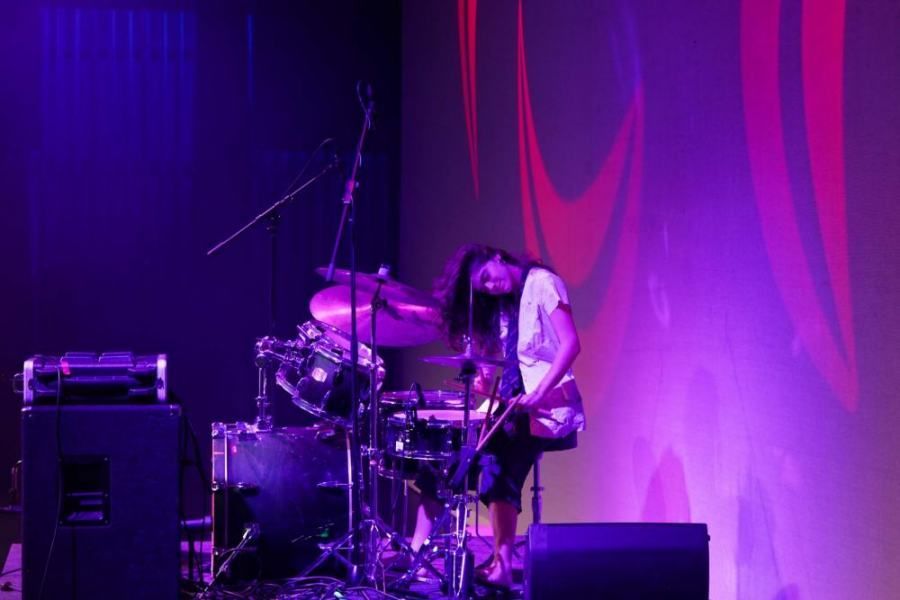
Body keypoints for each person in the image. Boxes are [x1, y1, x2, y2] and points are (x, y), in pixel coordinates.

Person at [408, 244, 586, 588]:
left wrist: (538, 393)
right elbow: (505, 368)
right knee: (444, 461)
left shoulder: (543, 283)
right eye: (483, 287)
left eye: (488, 278)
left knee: (498, 465)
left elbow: (570, 343)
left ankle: (502, 563)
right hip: (508, 407)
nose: (491, 286)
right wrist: (481, 382)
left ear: (498, 258)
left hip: (543, 407)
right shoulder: (504, 309)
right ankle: (418, 553)